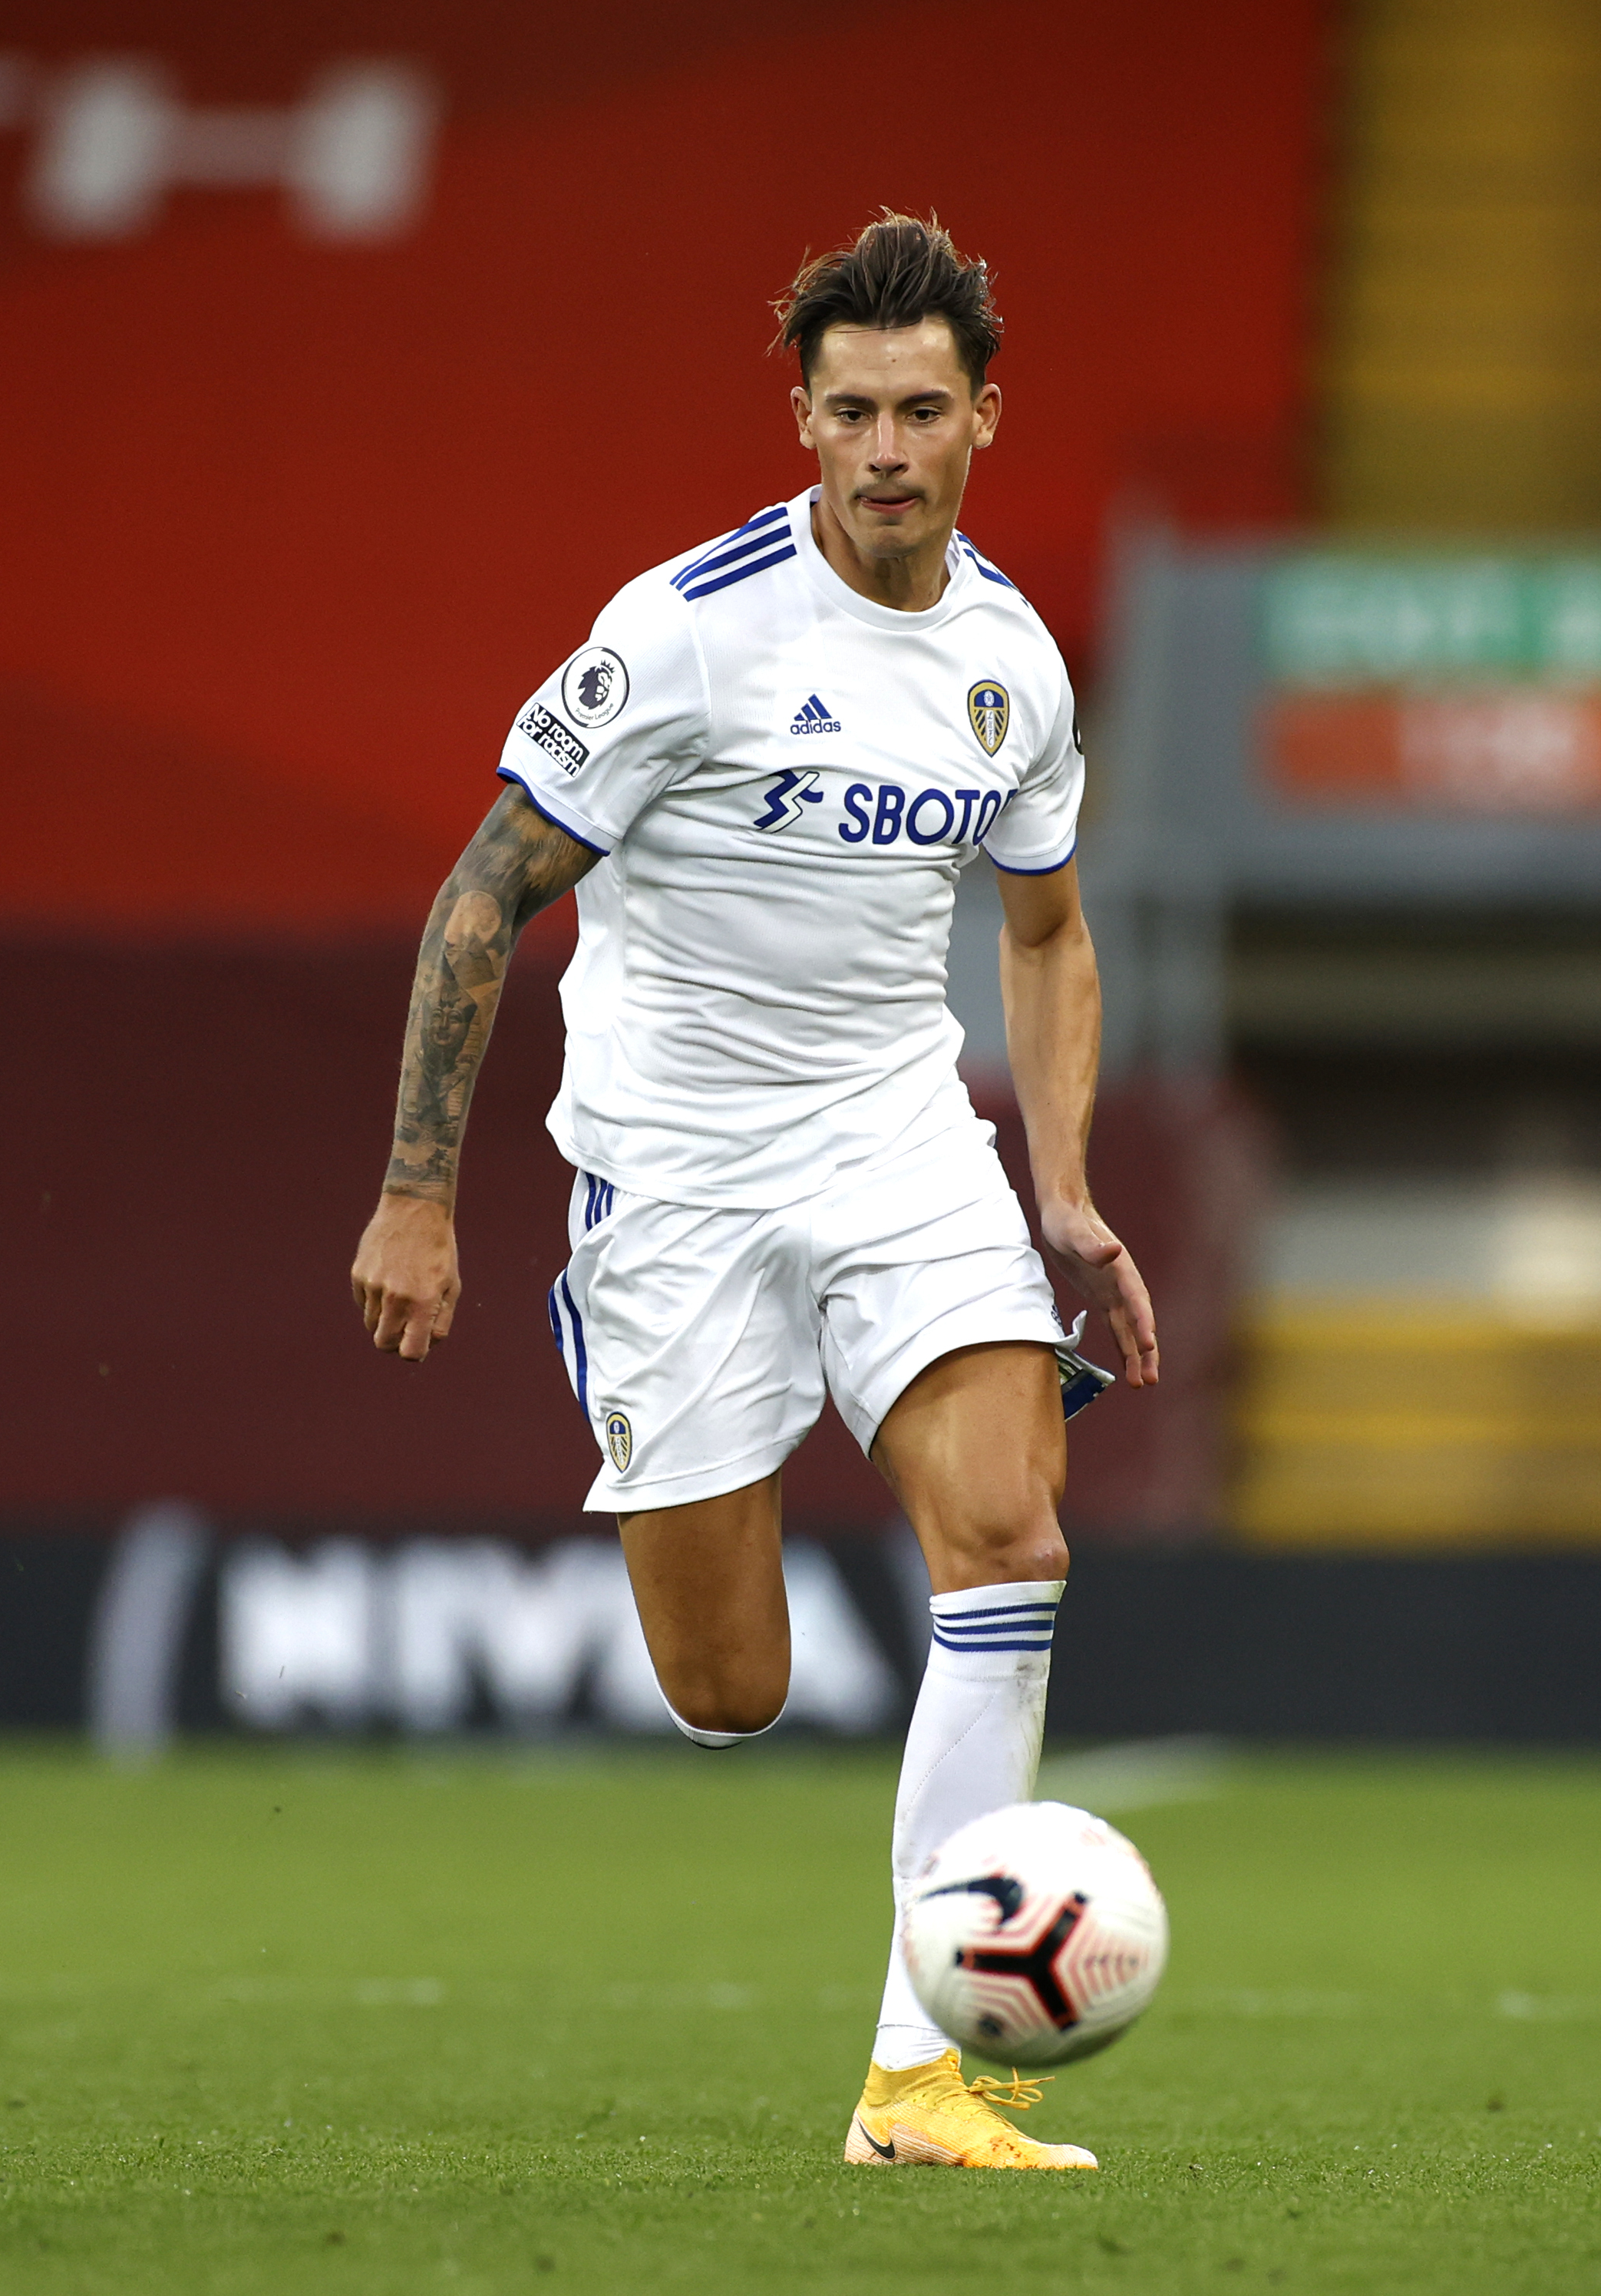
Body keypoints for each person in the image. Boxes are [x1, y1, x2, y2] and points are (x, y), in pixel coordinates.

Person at [350, 211, 1157, 2172]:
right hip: (679, 1170)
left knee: (1012, 1535)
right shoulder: (686, 631)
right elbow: (482, 892)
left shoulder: (1012, 661)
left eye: (921, 411)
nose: (885, 448)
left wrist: (1060, 1186)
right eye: (850, 410)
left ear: (983, 420)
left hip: (896, 1137)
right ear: (801, 418)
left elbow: (1046, 934)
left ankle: (918, 2078)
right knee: (730, 1689)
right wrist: (415, 1190)